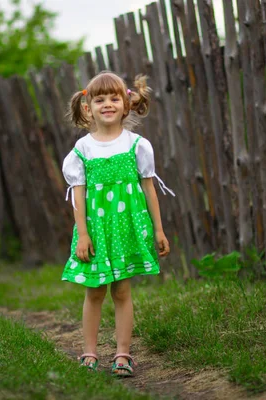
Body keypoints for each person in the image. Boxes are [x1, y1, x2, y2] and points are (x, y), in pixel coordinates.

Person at [61, 71, 174, 377]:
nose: (107, 104)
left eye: (114, 98)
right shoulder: (82, 151)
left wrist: (159, 230)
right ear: (88, 108)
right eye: (100, 99)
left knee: (122, 291)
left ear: (126, 104)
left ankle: (123, 354)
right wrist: (82, 234)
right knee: (94, 290)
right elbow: (78, 196)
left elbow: (150, 189)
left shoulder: (138, 145)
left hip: (126, 229)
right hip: (96, 230)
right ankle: (89, 352)